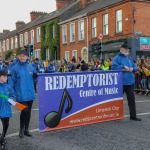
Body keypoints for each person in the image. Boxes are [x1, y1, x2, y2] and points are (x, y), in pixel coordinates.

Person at [9, 49, 38, 138]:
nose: (22, 57)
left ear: (27, 57)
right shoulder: (14, 68)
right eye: (20, 56)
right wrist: (12, 93)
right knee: (24, 110)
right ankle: (21, 129)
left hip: (30, 93)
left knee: (28, 112)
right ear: (18, 57)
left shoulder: (31, 67)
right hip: (20, 93)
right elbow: (11, 82)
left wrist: (35, 77)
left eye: (24, 56)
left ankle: (26, 130)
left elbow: (33, 80)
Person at [112, 43, 141, 121]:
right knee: (117, 100)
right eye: (126, 49)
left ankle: (133, 116)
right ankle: (114, 115)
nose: (127, 50)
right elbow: (113, 68)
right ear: (121, 49)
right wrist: (123, 67)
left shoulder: (129, 58)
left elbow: (135, 67)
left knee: (131, 99)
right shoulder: (117, 58)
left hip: (130, 82)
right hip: (121, 82)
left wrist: (133, 69)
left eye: (128, 49)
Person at [0, 70, 15, 149]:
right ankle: (2, 141)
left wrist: (10, 100)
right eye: (4, 76)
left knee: (6, 125)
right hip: (0, 111)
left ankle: (3, 136)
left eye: (6, 76)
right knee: (1, 127)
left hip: (7, 110)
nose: (6, 78)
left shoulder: (8, 86)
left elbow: (12, 94)